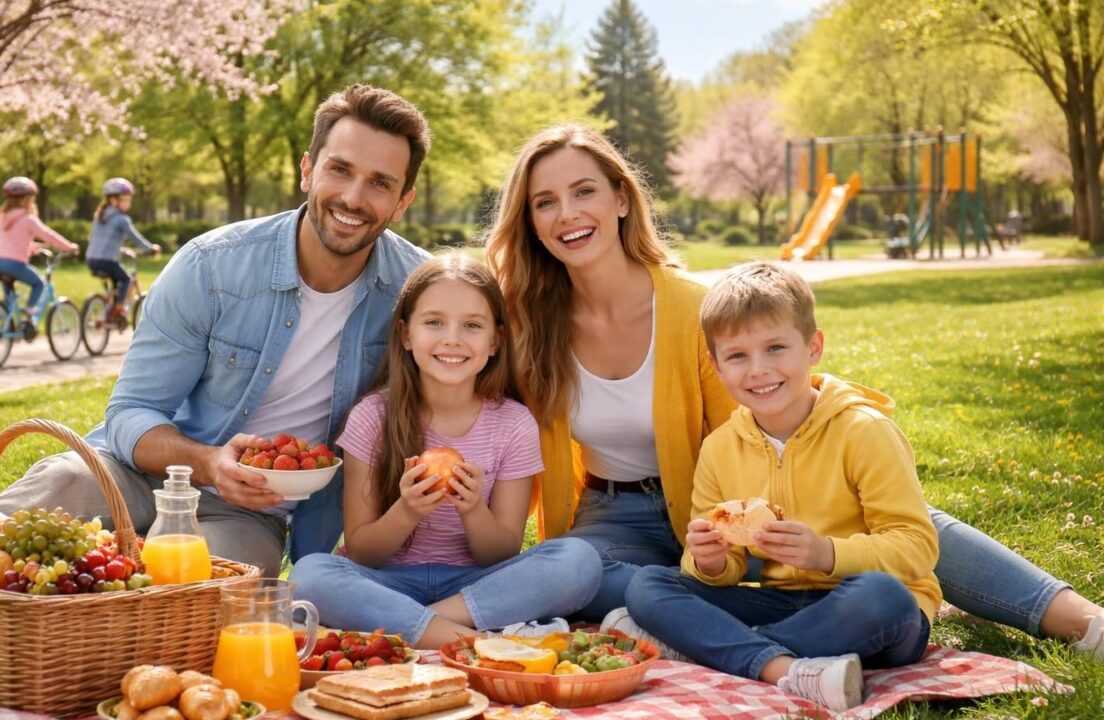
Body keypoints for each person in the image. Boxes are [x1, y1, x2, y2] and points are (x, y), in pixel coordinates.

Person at [0, 84, 431, 660]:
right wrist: (211, 462)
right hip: (138, 471)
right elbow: (131, 413)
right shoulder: (212, 267)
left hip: (252, 515)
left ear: (403, 200)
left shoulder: (418, 292)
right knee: (50, 494)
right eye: (341, 170)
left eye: (380, 183)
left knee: (182, 597)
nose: (354, 198)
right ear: (307, 169)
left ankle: (19, 645)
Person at [484, 122, 1104, 659]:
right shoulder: (529, 325)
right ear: (530, 220)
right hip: (618, 517)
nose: (567, 214)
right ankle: (765, 633)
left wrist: (804, 532)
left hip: (737, 499)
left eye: (584, 191)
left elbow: (764, 426)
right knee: (584, 573)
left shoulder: (697, 313)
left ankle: (1076, 618)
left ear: (621, 199)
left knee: (889, 526)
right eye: (546, 202)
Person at [626, 262, 937, 711]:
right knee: (648, 585)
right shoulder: (719, 448)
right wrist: (710, 561)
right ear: (715, 365)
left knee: (881, 596)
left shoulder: (865, 431)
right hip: (782, 603)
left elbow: (917, 548)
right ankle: (785, 669)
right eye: (737, 356)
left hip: (868, 608)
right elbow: (722, 563)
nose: (758, 370)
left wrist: (826, 554)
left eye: (775, 348)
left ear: (813, 347)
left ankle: (719, 649)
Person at [291, 255, 601, 650]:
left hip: (472, 587)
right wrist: (408, 510)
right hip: (387, 581)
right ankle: (471, 642)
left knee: (578, 561)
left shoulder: (514, 423)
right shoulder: (373, 417)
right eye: (434, 322)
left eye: (472, 325)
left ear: (495, 341)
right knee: (311, 574)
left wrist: (473, 510)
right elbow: (364, 550)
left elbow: (501, 551)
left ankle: (420, 624)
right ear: (405, 335)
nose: (452, 339)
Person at [0, 176, 80, 324]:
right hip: (14, 264)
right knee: (39, 284)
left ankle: (7, 324)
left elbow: (5, 240)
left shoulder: (3, 217)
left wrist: (31, 247)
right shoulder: (28, 219)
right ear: (26, 199)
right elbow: (49, 236)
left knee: (9, 300)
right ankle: (29, 312)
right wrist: (69, 246)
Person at [87, 177, 162, 318]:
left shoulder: (99, 216)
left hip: (91, 259)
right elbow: (135, 237)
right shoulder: (122, 219)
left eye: (129, 200)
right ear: (113, 200)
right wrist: (150, 248)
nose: (128, 203)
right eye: (125, 199)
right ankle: (119, 308)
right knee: (127, 279)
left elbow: (99, 240)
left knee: (117, 281)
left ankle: (111, 308)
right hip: (108, 260)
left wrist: (120, 250)